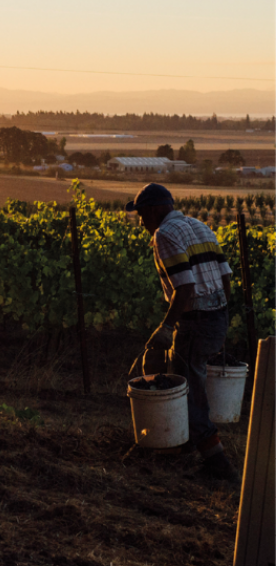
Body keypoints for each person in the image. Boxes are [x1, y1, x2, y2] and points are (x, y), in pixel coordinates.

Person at [126, 183, 237, 481]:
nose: (140, 222)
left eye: (140, 215)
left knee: (188, 390)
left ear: (152, 210)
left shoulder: (164, 234)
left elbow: (185, 288)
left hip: (196, 321)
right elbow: (227, 277)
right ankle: (183, 444)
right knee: (193, 381)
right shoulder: (200, 226)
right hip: (216, 316)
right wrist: (222, 317)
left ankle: (216, 462)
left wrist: (167, 327)